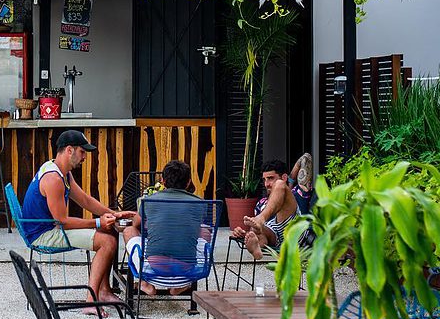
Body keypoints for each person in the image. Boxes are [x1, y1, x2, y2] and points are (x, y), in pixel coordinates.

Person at [20, 130, 133, 309]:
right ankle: (91, 301)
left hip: (51, 227)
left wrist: (113, 214)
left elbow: (85, 200)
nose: (84, 157)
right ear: (69, 150)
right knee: (107, 242)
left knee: (109, 230)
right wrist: (97, 222)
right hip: (44, 233)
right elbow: (62, 221)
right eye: (82, 152)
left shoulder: (61, 171)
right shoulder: (53, 179)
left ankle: (103, 292)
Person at [121, 160, 210, 296]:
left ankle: (144, 282)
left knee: (129, 231)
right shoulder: (199, 203)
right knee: (204, 232)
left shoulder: (149, 200)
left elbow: (135, 224)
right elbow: (193, 226)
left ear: (162, 181)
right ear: (188, 182)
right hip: (187, 268)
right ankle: (183, 284)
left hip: (154, 266)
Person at [232, 159, 301, 260]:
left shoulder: (290, 192)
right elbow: (258, 228)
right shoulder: (261, 203)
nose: (266, 184)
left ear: (284, 177)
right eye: (264, 180)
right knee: (255, 230)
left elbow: (306, 158)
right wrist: (243, 234)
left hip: (294, 232)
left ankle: (260, 220)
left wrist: (260, 219)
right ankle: (258, 246)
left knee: (279, 184)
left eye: (270, 178)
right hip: (275, 237)